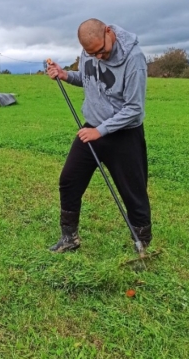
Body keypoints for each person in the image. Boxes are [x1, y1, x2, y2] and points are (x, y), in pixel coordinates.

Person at [47, 18, 152, 254]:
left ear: (108, 32)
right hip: (91, 128)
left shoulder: (134, 59)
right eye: (91, 54)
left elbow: (134, 108)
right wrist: (65, 75)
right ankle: (69, 238)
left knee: (133, 191)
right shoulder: (92, 51)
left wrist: (100, 131)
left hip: (124, 134)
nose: (98, 58)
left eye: (101, 52)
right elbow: (89, 80)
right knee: (69, 180)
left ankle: (143, 245)